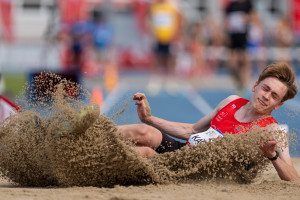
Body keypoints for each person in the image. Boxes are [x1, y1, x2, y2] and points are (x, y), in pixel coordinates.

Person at [117, 62, 299, 182]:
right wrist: (148, 118)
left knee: (145, 153)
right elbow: (192, 131)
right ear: (255, 86)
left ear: (278, 105)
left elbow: (294, 180)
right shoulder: (231, 102)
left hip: (196, 172)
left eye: (274, 96)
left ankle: (93, 164)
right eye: (265, 89)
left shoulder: (271, 130)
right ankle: (94, 136)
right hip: (183, 151)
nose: (266, 96)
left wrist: (271, 155)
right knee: (143, 131)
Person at [224, 0, 253, 96]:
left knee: (244, 60)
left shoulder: (248, 3)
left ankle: (244, 83)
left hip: (244, 36)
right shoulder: (231, 5)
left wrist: (247, 18)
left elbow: (254, 17)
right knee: (232, 61)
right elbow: (226, 20)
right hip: (233, 36)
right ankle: (238, 81)